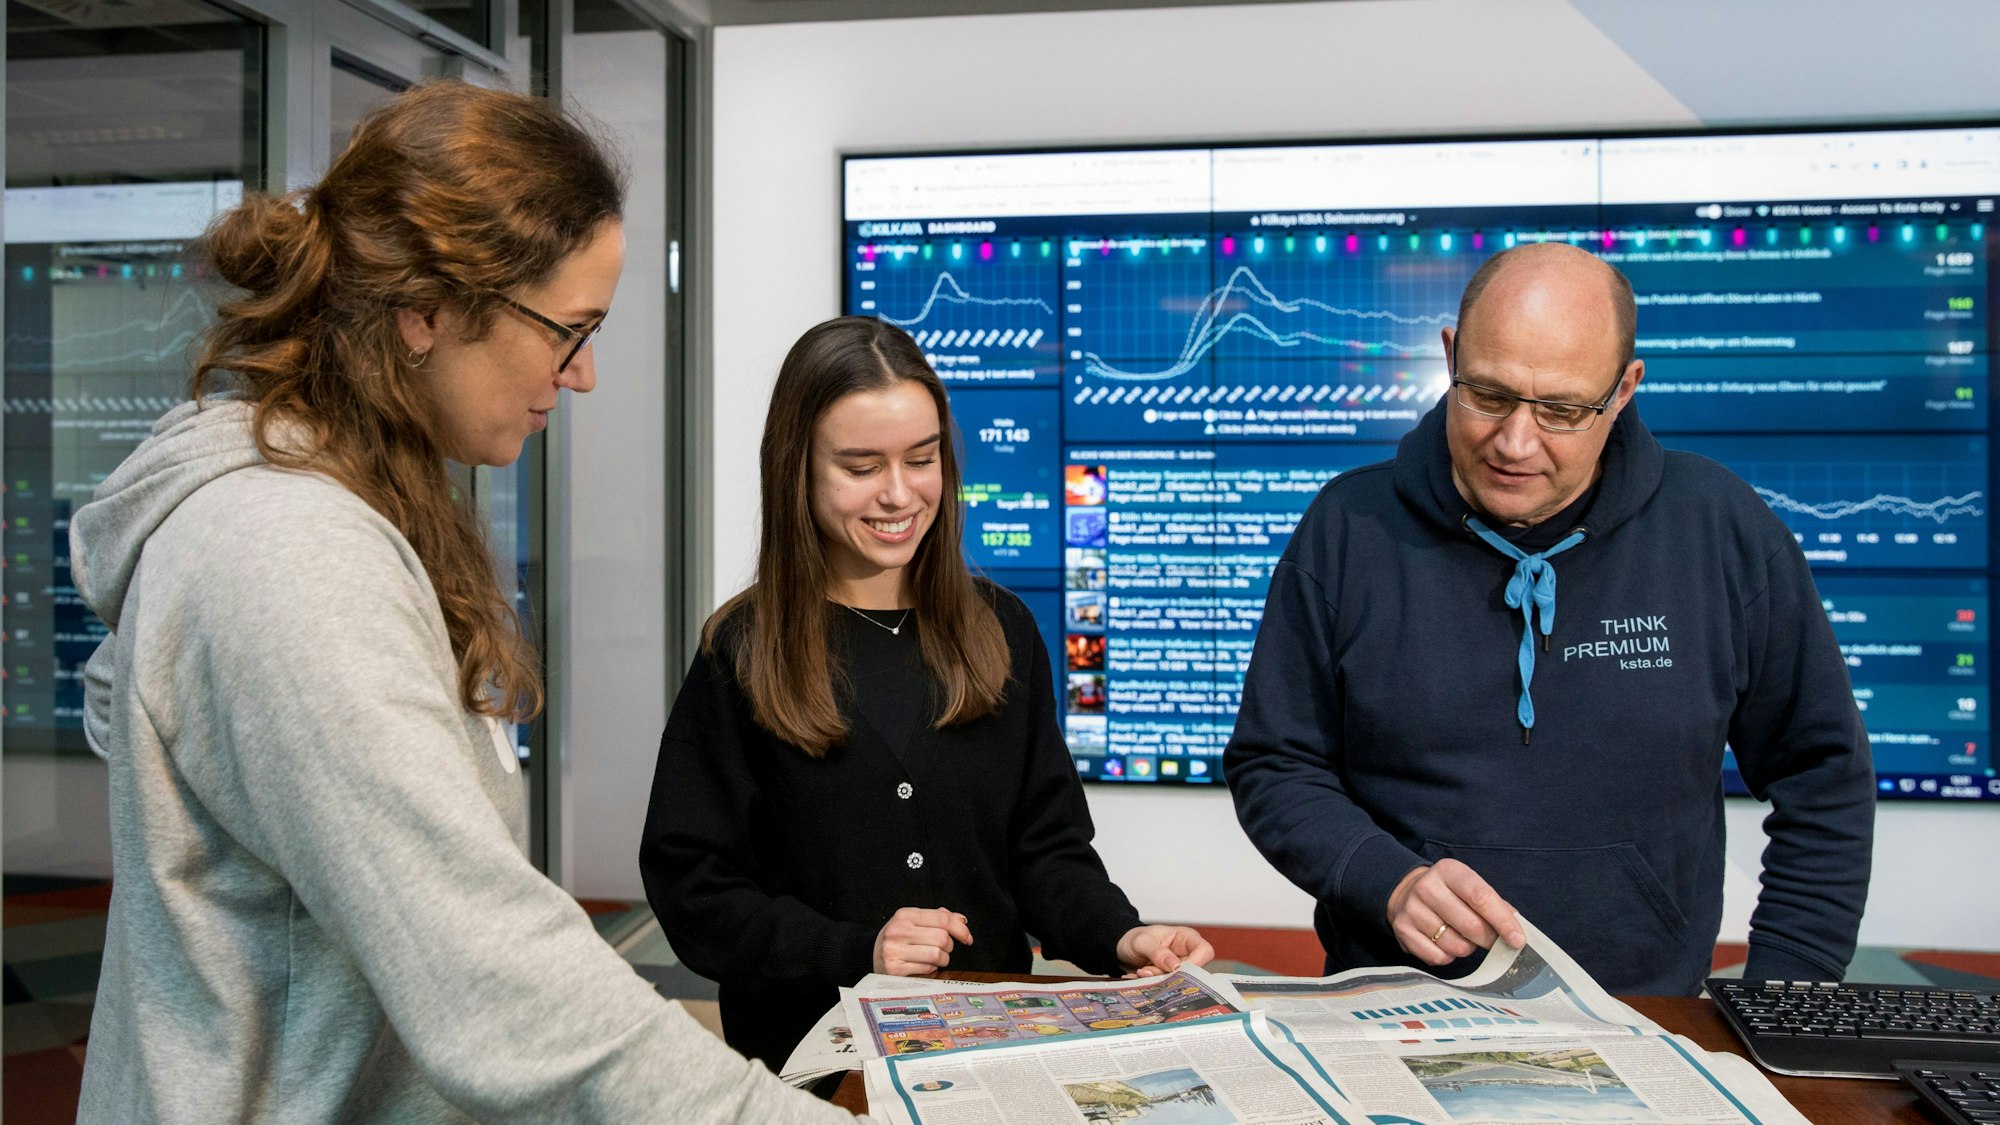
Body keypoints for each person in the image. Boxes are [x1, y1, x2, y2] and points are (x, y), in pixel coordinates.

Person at [70, 80, 869, 1123]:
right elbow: (492, 977)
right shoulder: (284, 551)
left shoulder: (344, 507)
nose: (579, 378)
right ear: (425, 314)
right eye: (568, 331)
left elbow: (135, 705)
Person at [1223, 242, 1875, 997]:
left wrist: (1786, 993)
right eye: (1488, 395)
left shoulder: (1720, 530)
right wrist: (1385, 880)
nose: (1515, 442)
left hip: (1651, 1016)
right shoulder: (1348, 528)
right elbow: (1274, 764)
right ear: (1450, 355)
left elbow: (1823, 773)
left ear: (1624, 390)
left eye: (1562, 409)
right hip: (1390, 1016)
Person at [640, 316, 1214, 1070]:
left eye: (922, 458)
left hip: (993, 1054)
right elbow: (696, 891)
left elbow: (1047, 855)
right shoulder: (742, 651)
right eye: (860, 466)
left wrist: (1120, 935)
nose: (900, 493)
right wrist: (857, 947)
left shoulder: (1001, 629)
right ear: (798, 468)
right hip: (814, 1069)